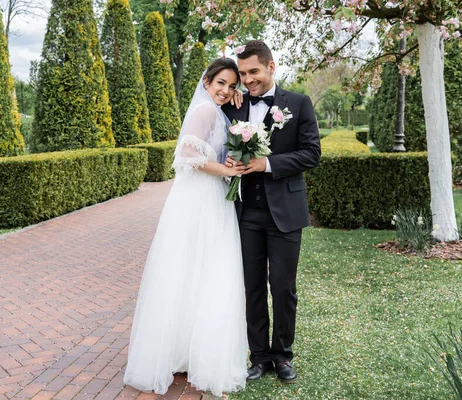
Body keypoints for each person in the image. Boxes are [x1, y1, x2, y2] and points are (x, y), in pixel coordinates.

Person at [123, 58, 248, 397]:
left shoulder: (217, 110)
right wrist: (226, 172)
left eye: (231, 85)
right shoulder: (205, 111)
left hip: (207, 197)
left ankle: (186, 350)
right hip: (200, 200)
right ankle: (192, 352)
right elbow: (186, 156)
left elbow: (209, 151)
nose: (225, 90)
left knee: (196, 271)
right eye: (220, 83)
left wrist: (228, 162)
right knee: (201, 268)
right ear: (207, 81)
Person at [222, 40, 321, 383]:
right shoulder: (233, 106)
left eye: (254, 72)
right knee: (252, 288)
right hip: (246, 211)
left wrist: (268, 164)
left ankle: (283, 356)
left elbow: (311, 154)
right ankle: (259, 357)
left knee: (282, 288)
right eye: (243, 73)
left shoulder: (298, 103)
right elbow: (219, 148)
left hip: (285, 213)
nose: (248, 80)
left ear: (271, 67)